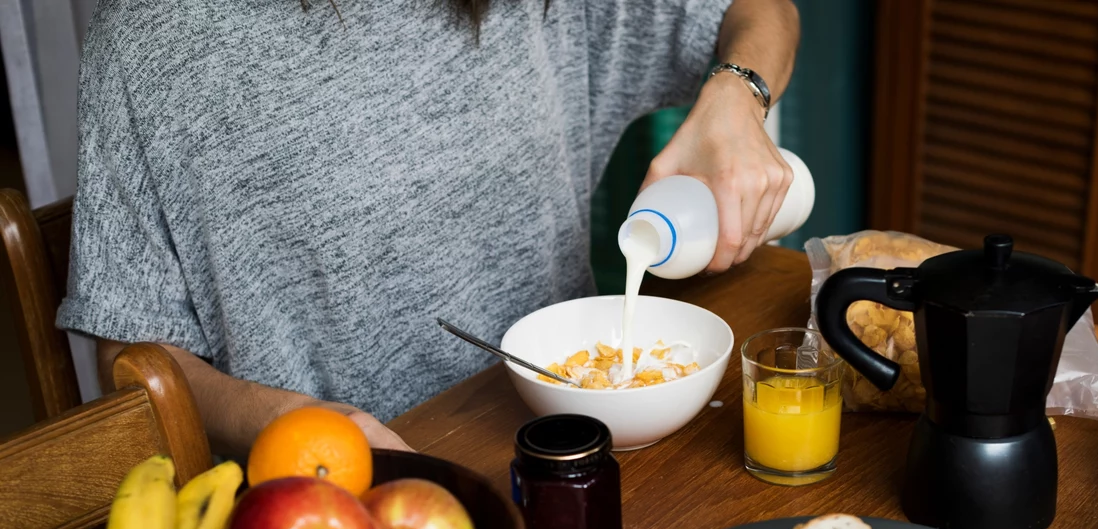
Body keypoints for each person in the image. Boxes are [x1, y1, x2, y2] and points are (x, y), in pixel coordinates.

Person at [57, 0, 800, 454]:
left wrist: (738, 96)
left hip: (574, 452)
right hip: (332, 515)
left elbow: (765, 10)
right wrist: (289, 422)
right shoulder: (153, 42)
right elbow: (132, 356)